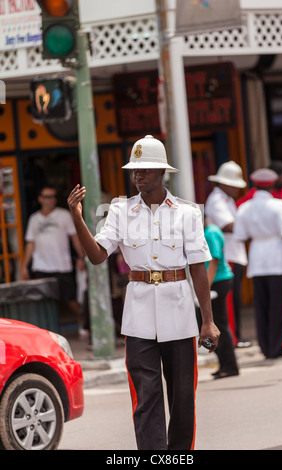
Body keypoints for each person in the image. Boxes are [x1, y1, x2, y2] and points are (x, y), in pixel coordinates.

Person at [67, 135, 220, 450]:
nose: (138, 175)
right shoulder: (120, 211)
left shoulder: (188, 212)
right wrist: (78, 218)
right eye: (135, 170)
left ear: (162, 172)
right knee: (146, 395)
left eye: (145, 170)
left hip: (179, 315)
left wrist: (208, 320)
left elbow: (198, 267)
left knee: (181, 397)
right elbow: (97, 256)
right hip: (138, 319)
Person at [234, 169, 282, 359]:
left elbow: (240, 235)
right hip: (278, 258)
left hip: (257, 258)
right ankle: (277, 347)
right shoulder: (279, 205)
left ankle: (266, 348)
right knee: (280, 306)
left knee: (262, 307)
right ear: (272, 185)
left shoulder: (244, 207)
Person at [22, 184, 86, 333]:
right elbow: (30, 243)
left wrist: (81, 257)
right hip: (41, 266)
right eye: (47, 197)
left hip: (62, 265)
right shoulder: (34, 219)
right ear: (40, 199)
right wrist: (24, 266)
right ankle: (50, 332)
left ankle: (82, 324)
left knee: (70, 299)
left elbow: (74, 237)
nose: (51, 200)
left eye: (53, 197)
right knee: (46, 303)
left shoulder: (64, 215)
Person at [205, 161, 249, 347]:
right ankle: (232, 340)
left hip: (235, 254)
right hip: (226, 257)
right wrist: (253, 226)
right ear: (223, 183)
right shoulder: (216, 200)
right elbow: (228, 225)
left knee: (234, 302)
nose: (237, 190)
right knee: (228, 305)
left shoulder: (227, 200)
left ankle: (235, 338)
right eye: (234, 185)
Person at [200, 218, 239, 379]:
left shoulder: (211, 232)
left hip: (218, 281)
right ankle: (224, 363)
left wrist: (205, 288)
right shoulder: (207, 231)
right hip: (214, 281)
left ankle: (230, 366)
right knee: (213, 325)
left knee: (219, 325)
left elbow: (214, 260)